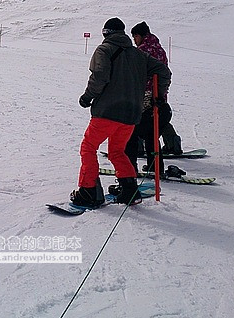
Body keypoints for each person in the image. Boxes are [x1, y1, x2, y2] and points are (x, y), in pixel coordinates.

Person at [71, 18, 171, 208]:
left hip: (108, 111)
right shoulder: (139, 54)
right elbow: (164, 71)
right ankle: (129, 190)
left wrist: (87, 97)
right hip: (132, 114)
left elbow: (99, 75)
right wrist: (159, 95)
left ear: (106, 33)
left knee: (88, 147)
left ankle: (88, 191)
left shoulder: (104, 50)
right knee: (117, 151)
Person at [124, 21, 182, 179]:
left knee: (133, 130)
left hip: (144, 95)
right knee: (152, 132)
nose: (134, 40)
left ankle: (130, 167)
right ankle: (154, 166)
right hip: (159, 96)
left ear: (139, 36)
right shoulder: (160, 49)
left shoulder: (142, 51)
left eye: (135, 37)